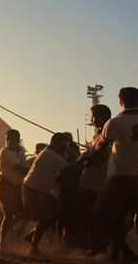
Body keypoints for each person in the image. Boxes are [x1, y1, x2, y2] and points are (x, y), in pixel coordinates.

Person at [91, 87, 138, 263]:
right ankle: (116, 252)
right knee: (119, 216)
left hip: (121, 175)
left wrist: (92, 157)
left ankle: (126, 252)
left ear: (120, 101)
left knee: (100, 215)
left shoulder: (114, 123)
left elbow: (99, 148)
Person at [62, 104, 111, 256]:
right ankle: (90, 244)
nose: (92, 120)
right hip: (88, 179)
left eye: (94, 116)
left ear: (103, 117)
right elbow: (88, 153)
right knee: (82, 213)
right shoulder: (97, 135)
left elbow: (100, 158)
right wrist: (75, 163)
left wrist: (78, 166)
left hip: (98, 180)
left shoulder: (109, 135)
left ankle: (98, 244)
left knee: (89, 214)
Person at [22, 133, 70, 256]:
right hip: (35, 188)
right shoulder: (50, 155)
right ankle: (33, 248)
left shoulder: (49, 152)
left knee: (57, 213)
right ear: (54, 144)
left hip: (39, 188)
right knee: (48, 217)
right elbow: (68, 168)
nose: (63, 150)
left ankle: (31, 236)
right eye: (62, 147)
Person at [0, 129, 28, 250]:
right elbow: (21, 168)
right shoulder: (4, 152)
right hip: (6, 184)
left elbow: (24, 166)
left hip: (18, 184)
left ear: (18, 140)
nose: (9, 141)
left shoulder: (21, 150)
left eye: (12, 139)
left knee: (22, 212)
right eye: (7, 139)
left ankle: (2, 231)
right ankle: (2, 242)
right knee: (8, 214)